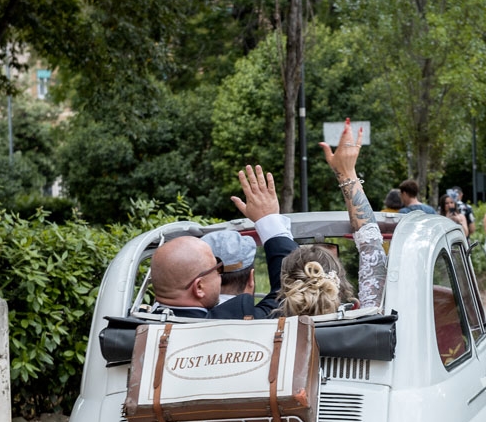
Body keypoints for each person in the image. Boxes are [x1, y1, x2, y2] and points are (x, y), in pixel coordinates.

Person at [150, 164, 297, 319]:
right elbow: (295, 292)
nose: (221, 275)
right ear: (199, 287)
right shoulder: (236, 318)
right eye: (217, 268)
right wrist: (269, 219)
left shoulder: (135, 323)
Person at [278, 119, 387, 315]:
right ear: (339, 281)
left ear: (284, 287)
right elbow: (371, 245)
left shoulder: (266, 332)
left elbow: (371, 245)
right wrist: (346, 173)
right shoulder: (371, 321)